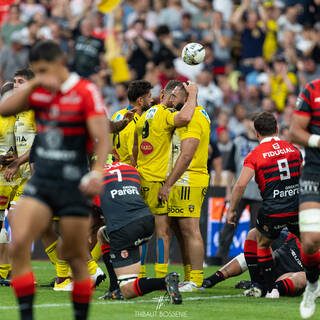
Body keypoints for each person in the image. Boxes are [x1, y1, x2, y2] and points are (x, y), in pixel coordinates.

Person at [0, 40, 110, 320]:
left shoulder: (85, 91)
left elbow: (103, 136)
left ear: (58, 64)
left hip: (71, 182)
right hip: (42, 180)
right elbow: (5, 108)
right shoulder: (39, 93)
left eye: (43, 70)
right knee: (18, 242)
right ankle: (26, 315)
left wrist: (97, 172)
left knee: (75, 253)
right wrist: (33, 87)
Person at [227, 112, 302, 299]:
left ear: (256, 133)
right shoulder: (294, 149)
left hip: (273, 209)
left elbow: (241, 184)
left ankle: (267, 288)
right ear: (277, 128)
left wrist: (232, 210)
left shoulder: (255, 155)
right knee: (310, 245)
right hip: (296, 208)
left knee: (261, 242)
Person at [133, 80, 197, 279]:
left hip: (141, 177)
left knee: (142, 231)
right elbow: (185, 117)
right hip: (157, 180)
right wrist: (193, 94)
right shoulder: (164, 113)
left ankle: (140, 274)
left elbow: (135, 148)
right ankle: (161, 277)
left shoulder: (144, 115)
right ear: (169, 97)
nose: (180, 104)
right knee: (163, 232)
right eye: (179, 99)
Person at [98, 160, 182, 304]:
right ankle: (114, 288)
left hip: (124, 228)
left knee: (127, 289)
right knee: (102, 234)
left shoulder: (94, 176)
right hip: (147, 221)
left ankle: (164, 281)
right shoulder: (130, 169)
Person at [158, 90, 211, 292]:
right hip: (186, 179)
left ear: (186, 97)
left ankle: (196, 280)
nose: (171, 101)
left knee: (190, 230)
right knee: (182, 231)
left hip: (189, 178)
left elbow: (187, 154)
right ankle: (190, 276)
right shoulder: (199, 113)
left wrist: (168, 184)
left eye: (175, 97)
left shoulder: (194, 116)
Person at [289, 78, 320, 318]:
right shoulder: (312, 89)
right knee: (309, 241)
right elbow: (295, 131)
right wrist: (317, 140)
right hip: (314, 171)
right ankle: (311, 284)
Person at [203, 228, 306, 298]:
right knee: (256, 233)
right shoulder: (296, 232)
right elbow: (270, 236)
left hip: (288, 279)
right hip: (268, 267)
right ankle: (211, 280)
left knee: (304, 278)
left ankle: (266, 289)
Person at [216, 119, 262, 265]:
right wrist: (229, 190)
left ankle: (255, 258)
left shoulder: (263, 143)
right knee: (230, 223)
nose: (253, 124)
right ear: (248, 123)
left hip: (259, 193)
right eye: (252, 120)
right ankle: (220, 257)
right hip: (239, 190)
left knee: (256, 228)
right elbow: (230, 168)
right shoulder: (238, 141)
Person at [111, 80, 153, 165]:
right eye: (149, 96)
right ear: (140, 100)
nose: (151, 100)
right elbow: (133, 158)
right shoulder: (136, 124)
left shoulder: (117, 114)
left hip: (114, 169)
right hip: (127, 172)